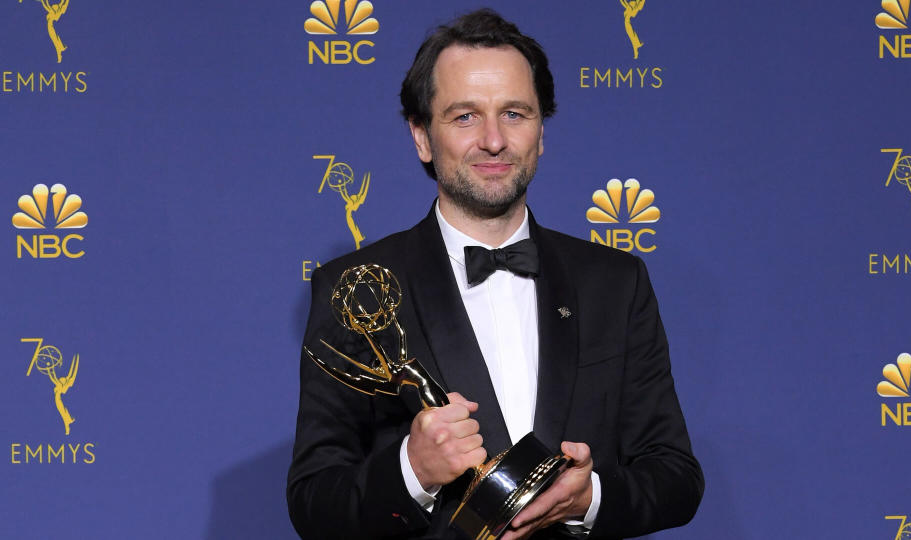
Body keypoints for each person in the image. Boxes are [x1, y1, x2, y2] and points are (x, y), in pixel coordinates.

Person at [288, 9, 703, 540]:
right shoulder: (355, 287)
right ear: (421, 136)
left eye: (514, 114)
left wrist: (589, 496)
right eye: (464, 116)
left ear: (541, 131)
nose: (493, 140)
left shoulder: (616, 283)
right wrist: (411, 471)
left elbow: (675, 478)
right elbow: (312, 503)